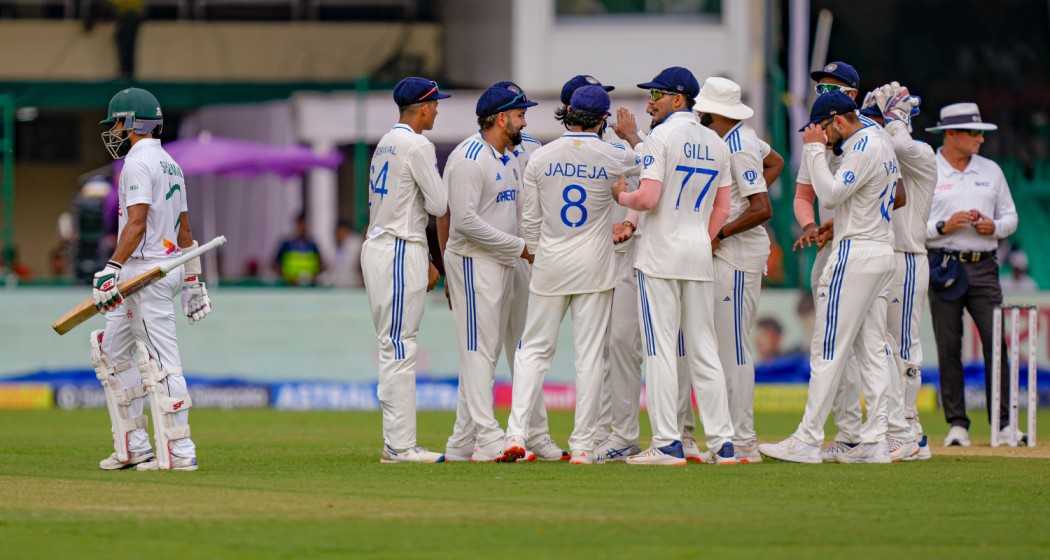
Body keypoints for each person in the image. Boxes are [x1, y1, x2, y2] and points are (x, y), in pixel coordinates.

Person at [759, 91, 899, 464]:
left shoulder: (864, 145)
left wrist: (813, 151)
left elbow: (833, 194)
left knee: (827, 348)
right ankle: (875, 440)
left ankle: (807, 438)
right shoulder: (879, 140)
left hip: (856, 253)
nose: (822, 137)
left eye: (823, 129)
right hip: (881, 249)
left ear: (837, 120)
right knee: (870, 351)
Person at [502, 85, 638, 465]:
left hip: (550, 261)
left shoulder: (541, 157)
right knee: (590, 356)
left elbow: (529, 220)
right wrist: (631, 137)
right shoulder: (613, 154)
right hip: (595, 265)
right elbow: (646, 164)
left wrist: (535, 253)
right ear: (601, 120)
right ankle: (582, 445)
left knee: (532, 351)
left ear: (568, 113)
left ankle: (515, 433)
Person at [616, 66, 737, 466]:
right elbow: (722, 207)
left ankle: (667, 443)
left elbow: (648, 198)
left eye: (658, 95)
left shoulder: (659, 138)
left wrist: (623, 195)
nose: (651, 101)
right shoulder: (717, 143)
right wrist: (703, 237)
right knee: (704, 349)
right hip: (697, 252)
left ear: (679, 99)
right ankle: (723, 443)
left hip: (660, 255)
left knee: (660, 348)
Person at [91, 87, 211, 471]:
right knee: (110, 353)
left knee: (161, 362)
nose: (115, 131)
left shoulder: (138, 164)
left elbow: (138, 224)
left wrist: (111, 268)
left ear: (132, 121)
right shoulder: (170, 163)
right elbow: (185, 228)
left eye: (118, 123)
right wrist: (192, 281)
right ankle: (133, 446)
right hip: (157, 268)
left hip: (147, 272)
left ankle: (179, 451)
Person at [835, 82, 938, 461]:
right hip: (881, 252)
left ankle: (910, 430)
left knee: (903, 343)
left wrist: (895, 114)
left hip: (908, 255)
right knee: (880, 345)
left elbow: (899, 145)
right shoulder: (878, 145)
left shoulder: (921, 153)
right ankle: (898, 429)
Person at [440, 82, 538, 462]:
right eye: (519, 115)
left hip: (500, 263)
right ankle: (488, 436)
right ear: (501, 118)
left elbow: (512, 215)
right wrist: (518, 248)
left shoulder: (507, 157)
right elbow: (462, 222)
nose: (524, 121)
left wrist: (520, 249)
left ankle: (462, 442)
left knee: (486, 351)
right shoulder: (468, 158)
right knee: (477, 351)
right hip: (471, 261)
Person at [693, 76, 783, 463]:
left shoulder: (739, 147)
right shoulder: (739, 139)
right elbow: (775, 162)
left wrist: (722, 231)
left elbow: (763, 209)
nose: (698, 113)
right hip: (732, 252)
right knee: (726, 345)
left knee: (734, 348)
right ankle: (734, 435)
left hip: (737, 254)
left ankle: (743, 440)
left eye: (702, 109)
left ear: (714, 112)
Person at [361, 76, 450, 463]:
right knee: (398, 344)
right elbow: (438, 202)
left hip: (385, 244)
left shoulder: (385, 142)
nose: (437, 110)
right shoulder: (417, 144)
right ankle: (399, 445)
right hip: (398, 246)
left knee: (393, 343)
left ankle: (397, 441)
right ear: (423, 107)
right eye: (435, 104)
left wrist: (427, 260)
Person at [924, 102, 1018, 447]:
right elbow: (912, 227)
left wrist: (994, 226)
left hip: (984, 265)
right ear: (951, 134)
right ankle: (957, 424)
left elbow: (1011, 218)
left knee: (997, 345)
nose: (980, 139)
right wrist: (942, 225)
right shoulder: (927, 169)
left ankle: (1004, 424)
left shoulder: (990, 170)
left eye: (981, 133)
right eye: (974, 133)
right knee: (948, 346)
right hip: (943, 264)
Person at [273, 213, 324, 286]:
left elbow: (321, 264)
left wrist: (313, 277)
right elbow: (275, 265)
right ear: (296, 225)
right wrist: (288, 277)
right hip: (289, 286)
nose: (302, 227)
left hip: (309, 286)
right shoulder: (286, 244)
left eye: (304, 224)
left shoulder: (313, 245)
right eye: (300, 224)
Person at [321, 220, 364, 288]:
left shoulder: (356, 244)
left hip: (353, 284)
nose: (338, 234)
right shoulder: (337, 245)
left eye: (340, 231)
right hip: (339, 285)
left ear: (346, 230)